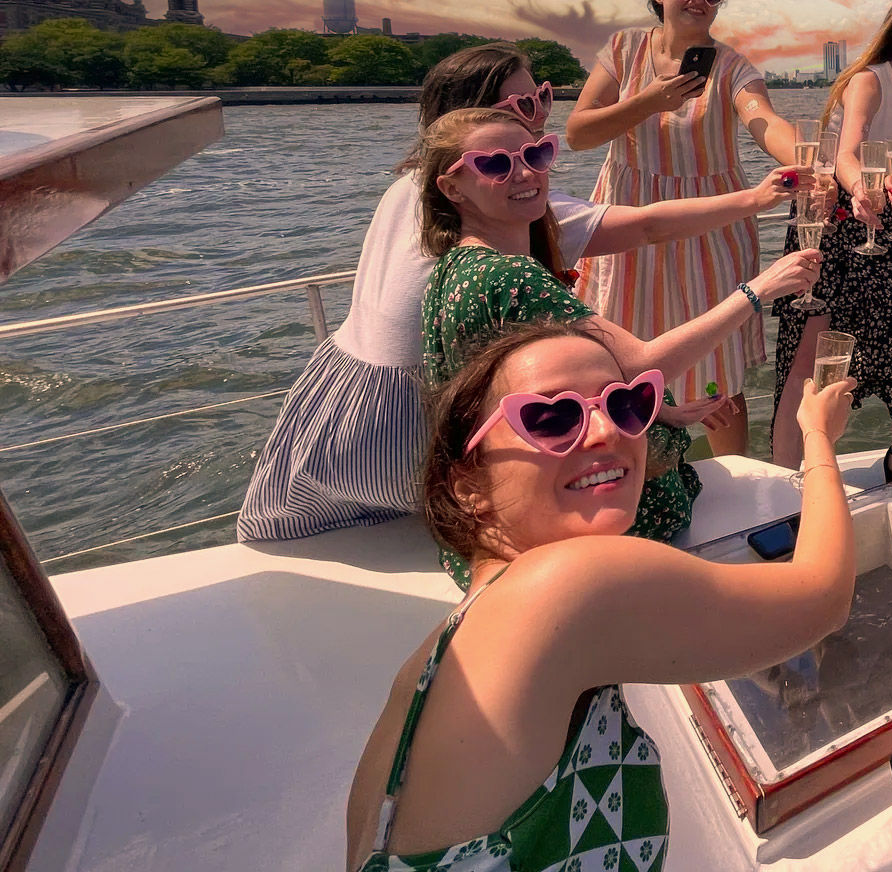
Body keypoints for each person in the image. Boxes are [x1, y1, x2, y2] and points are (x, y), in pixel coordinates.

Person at [344, 320, 859, 869]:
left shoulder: (432, 658)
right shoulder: (568, 585)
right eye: (550, 417)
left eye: (627, 404)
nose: (605, 431)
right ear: (468, 485)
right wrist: (818, 436)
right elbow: (823, 596)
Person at [242, 43, 613, 542]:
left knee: (313, 538)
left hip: (335, 400)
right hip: (411, 421)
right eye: (521, 106)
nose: (540, 114)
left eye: (542, 97)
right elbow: (646, 226)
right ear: (470, 116)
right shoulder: (503, 210)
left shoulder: (412, 186)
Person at [418, 107, 820, 544]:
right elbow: (642, 363)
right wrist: (760, 289)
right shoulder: (511, 276)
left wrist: (662, 410)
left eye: (536, 154)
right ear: (451, 188)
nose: (525, 173)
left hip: (507, 506)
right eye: (495, 164)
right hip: (585, 513)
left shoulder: (453, 268)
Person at [567, 0, 804, 456]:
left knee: (716, 367)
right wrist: (650, 100)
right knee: (622, 365)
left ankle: (735, 477)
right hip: (630, 221)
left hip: (711, 225)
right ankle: (629, 475)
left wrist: (807, 159)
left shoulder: (731, 66)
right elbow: (578, 133)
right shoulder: (624, 49)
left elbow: (763, 119)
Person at [768, 0, 892, 489]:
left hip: (889, 220)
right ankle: (787, 482)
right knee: (813, 356)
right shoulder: (869, 81)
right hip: (833, 216)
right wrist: (861, 190)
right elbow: (846, 152)